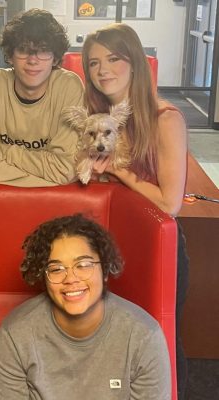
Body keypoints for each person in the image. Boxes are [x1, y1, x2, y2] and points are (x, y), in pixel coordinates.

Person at [81, 23, 188, 398]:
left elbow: (169, 202)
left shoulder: (165, 117)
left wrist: (115, 168)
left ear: (136, 63)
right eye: (93, 63)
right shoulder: (95, 118)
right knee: (107, 339)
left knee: (156, 341)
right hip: (104, 241)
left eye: (113, 59)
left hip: (152, 246)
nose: (102, 71)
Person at [0, 214, 171, 399]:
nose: (71, 279)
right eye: (56, 269)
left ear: (105, 270)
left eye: (84, 265)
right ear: (44, 278)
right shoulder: (15, 334)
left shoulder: (144, 335)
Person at [0, 8, 84, 187]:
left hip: (52, 202)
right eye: (23, 49)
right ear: (10, 55)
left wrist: (1, 151)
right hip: (2, 201)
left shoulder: (68, 87)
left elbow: (65, 169)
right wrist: (50, 176)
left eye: (43, 50)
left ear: (55, 58)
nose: (33, 60)